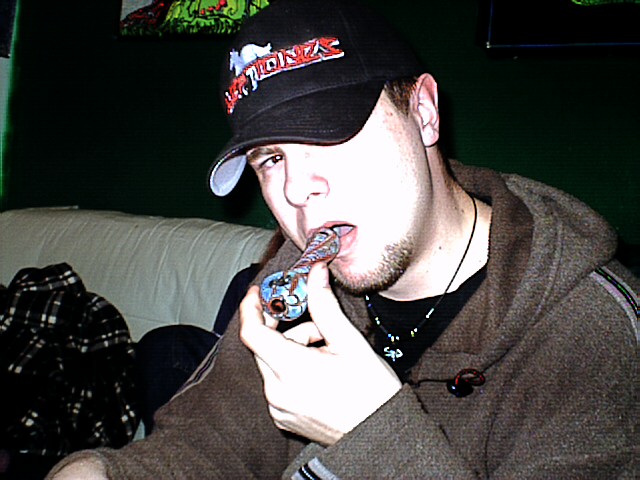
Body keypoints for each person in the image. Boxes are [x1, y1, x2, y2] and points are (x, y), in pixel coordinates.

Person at [48, 0, 638, 478]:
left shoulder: (590, 333)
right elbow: (210, 443)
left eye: (329, 134)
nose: (296, 189)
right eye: (271, 158)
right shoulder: (295, 276)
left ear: (423, 112)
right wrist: (102, 472)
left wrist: (372, 434)